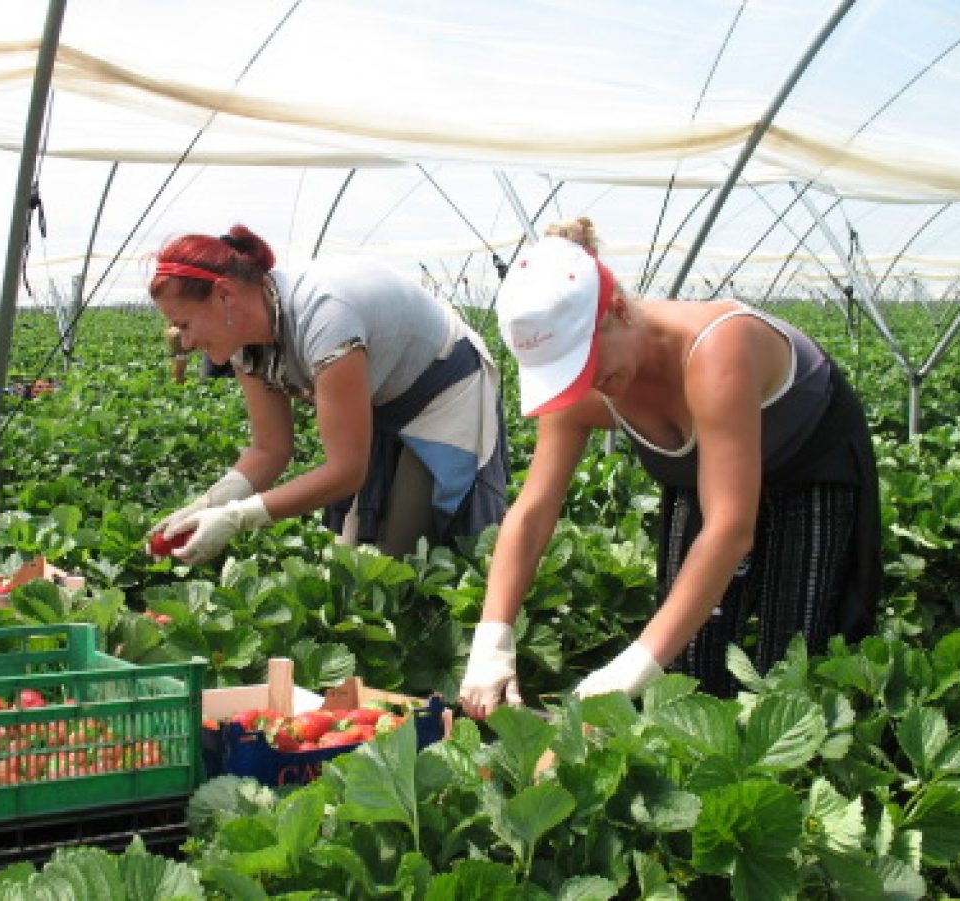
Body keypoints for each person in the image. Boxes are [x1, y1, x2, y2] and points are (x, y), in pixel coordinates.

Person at [459, 217, 881, 715]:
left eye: (587, 362)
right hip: (703, 476)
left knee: (791, 662)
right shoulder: (580, 391)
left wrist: (633, 663)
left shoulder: (717, 351)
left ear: (616, 310)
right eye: (568, 374)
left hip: (808, 460)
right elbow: (533, 511)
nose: (587, 382)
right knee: (685, 667)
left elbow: (728, 528)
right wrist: (492, 637)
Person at [146, 225, 508, 563]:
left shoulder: (326, 318)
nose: (186, 342)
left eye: (184, 324)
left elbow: (347, 471)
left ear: (225, 295)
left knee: (401, 556)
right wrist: (210, 503)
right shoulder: (243, 338)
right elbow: (269, 450)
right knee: (352, 561)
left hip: (440, 393)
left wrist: (237, 518)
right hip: (379, 396)